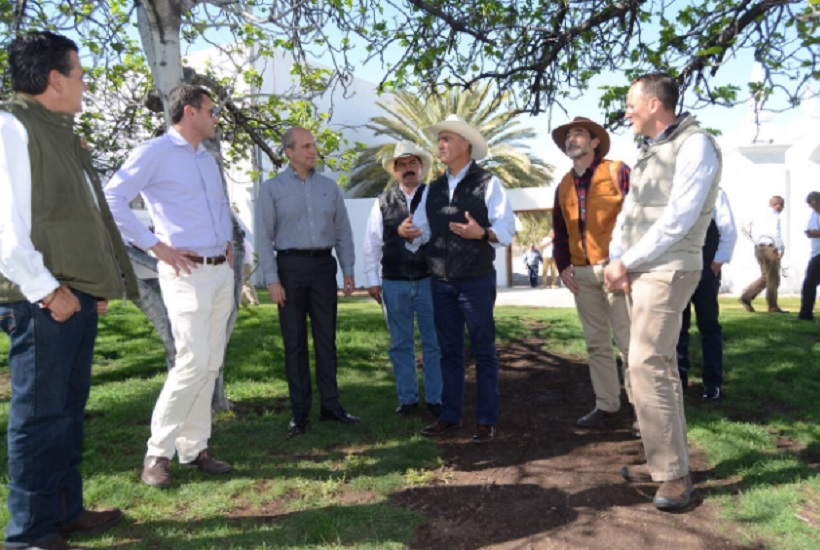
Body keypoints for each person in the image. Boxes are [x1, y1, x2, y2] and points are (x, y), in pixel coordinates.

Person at [0, 31, 137, 549]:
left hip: (72, 294)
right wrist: (46, 290)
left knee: (65, 411)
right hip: (42, 301)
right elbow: (5, 228)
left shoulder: (59, 131)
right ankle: (30, 534)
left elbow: (81, 217)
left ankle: (64, 510)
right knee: (39, 417)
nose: (84, 84)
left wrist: (95, 282)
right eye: (79, 75)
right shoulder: (11, 127)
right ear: (54, 79)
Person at [105, 84, 235, 488]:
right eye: (211, 111)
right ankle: (157, 453)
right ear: (190, 111)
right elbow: (111, 199)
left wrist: (228, 239)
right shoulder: (154, 153)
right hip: (185, 273)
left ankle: (194, 447)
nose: (216, 118)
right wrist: (155, 246)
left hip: (219, 271)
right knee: (193, 362)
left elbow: (217, 207)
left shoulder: (208, 159)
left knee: (210, 363)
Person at [604, 73, 721, 510]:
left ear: (655, 104)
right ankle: (665, 464)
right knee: (660, 367)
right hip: (642, 269)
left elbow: (679, 218)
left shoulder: (696, 144)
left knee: (645, 363)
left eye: (631, 102)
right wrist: (617, 258)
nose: (627, 110)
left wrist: (626, 262)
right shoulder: (648, 151)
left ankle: (674, 477)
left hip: (669, 269)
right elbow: (631, 213)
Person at [398, 114, 515, 444]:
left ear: (466, 145)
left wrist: (483, 232)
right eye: (440, 140)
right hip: (440, 282)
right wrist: (408, 233)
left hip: (476, 280)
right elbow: (419, 233)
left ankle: (485, 419)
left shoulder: (488, 183)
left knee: (483, 351)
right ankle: (449, 416)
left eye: (447, 139)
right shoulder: (432, 189)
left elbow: (506, 230)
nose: (441, 145)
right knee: (448, 352)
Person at [255, 126, 359, 436]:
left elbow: (343, 232)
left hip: (324, 269)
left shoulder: (330, 187)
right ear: (288, 152)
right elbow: (263, 238)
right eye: (305, 146)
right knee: (295, 344)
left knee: (327, 341)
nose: (312, 151)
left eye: (313, 146)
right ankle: (299, 413)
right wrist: (272, 279)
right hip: (289, 269)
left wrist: (348, 270)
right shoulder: (271, 189)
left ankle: (331, 406)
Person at [551, 116, 633, 431]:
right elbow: (559, 231)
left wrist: (626, 262)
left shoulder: (617, 170)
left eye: (579, 134)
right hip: (582, 275)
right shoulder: (563, 184)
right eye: (568, 135)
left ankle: (643, 411)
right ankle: (607, 405)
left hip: (617, 270)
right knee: (596, 344)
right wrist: (563, 266)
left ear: (594, 142)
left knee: (630, 345)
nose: (572, 138)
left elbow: (639, 217)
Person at [363, 140, 442, 417]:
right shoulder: (382, 202)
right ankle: (407, 400)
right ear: (395, 171)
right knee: (400, 344)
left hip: (429, 280)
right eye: (403, 165)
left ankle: (436, 398)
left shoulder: (435, 197)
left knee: (434, 342)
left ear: (421, 168)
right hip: (394, 282)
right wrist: (372, 279)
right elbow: (371, 243)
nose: (408, 169)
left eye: (413, 164)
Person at [676, 188, 737, 400]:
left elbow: (728, 230)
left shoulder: (715, 192)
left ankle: (712, 383)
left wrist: (716, 265)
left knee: (709, 326)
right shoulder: (674, 188)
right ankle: (679, 380)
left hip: (705, 268)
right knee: (677, 327)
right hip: (679, 269)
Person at [740, 195, 786, 313]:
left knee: (766, 277)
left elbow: (748, 229)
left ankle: (746, 297)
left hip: (758, 248)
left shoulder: (759, 216)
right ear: (778, 205)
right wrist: (780, 248)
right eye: (781, 205)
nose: (781, 208)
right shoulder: (775, 216)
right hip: (769, 247)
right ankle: (772, 306)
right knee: (773, 278)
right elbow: (776, 233)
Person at [798, 191, 820, 321]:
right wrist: (810, 233)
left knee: (809, 283)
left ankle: (806, 314)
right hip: (816, 253)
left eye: (815, 205)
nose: (814, 208)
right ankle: (806, 314)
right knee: (809, 285)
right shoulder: (813, 215)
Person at [241, 236, 260, 306]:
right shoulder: (247, 242)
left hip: (244, 264)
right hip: (249, 264)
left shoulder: (240, 243)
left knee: (246, 284)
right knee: (243, 283)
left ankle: (254, 301)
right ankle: (241, 301)